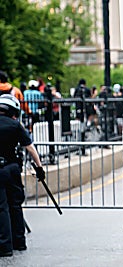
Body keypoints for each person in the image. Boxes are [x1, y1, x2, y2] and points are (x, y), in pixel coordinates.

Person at [0, 94, 45, 257]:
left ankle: (5, 247)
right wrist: (39, 168)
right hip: (12, 169)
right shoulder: (15, 125)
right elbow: (30, 149)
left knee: (1, 207)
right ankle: (19, 242)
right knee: (15, 205)